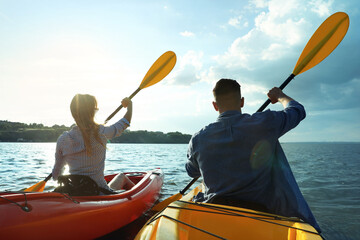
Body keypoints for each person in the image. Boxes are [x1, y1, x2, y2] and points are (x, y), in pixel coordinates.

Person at [185, 79, 321, 232]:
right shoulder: (265, 123)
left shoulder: (198, 139)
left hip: (215, 214)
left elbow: (192, 171)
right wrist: (280, 96)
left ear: (215, 105)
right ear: (242, 102)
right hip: (262, 216)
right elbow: (297, 110)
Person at [52, 94, 135, 194]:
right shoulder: (101, 132)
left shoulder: (63, 139)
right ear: (93, 111)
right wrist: (130, 106)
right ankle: (140, 199)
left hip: (75, 194)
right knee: (122, 176)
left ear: (73, 113)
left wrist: (60, 168)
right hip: (100, 193)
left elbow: (56, 176)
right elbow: (125, 123)